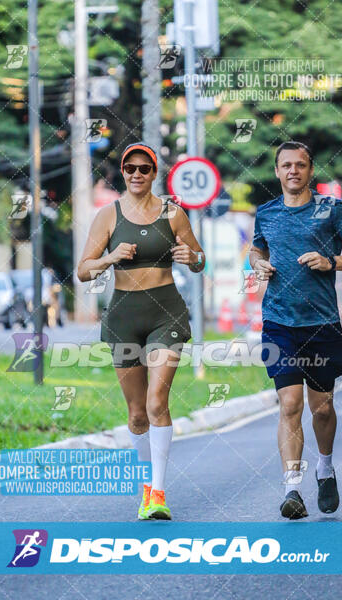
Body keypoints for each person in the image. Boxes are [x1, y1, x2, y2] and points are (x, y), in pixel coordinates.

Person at [77, 142, 205, 520]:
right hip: (122, 317)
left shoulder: (174, 214)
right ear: (123, 172)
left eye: (144, 169)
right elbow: (83, 271)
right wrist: (111, 258)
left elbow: (199, 260)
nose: (136, 174)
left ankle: (160, 493)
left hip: (166, 312)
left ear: (154, 173)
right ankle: (146, 487)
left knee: (156, 402)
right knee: (136, 415)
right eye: (130, 168)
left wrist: (192, 258)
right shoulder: (108, 216)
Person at [249, 141, 342, 519]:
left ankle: (325, 467)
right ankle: (292, 488)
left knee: (323, 407)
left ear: (310, 170)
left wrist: (330, 260)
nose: (293, 171)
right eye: (286, 165)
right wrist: (259, 265)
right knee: (289, 404)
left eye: (300, 165)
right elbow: (257, 250)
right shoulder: (265, 213)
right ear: (277, 171)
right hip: (279, 323)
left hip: (322, 324)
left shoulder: (331, 210)